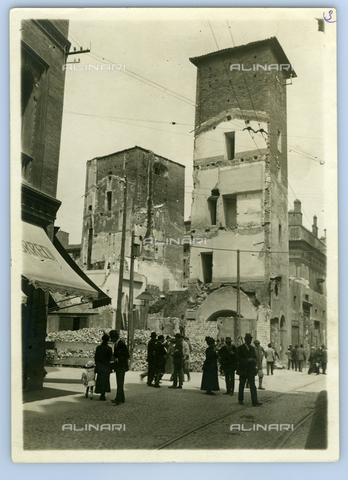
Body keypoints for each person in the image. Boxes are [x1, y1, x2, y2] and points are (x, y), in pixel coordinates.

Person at [237, 333, 262, 406]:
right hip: (243, 369)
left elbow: (254, 357)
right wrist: (247, 360)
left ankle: (255, 401)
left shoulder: (252, 348)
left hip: (250, 370)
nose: (249, 340)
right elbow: (238, 359)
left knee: (252, 385)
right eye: (248, 339)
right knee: (241, 384)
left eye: (250, 339)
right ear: (245, 340)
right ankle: (240, 399)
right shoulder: (240, 348)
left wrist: (254, 362)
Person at [109, 330, 130, 405]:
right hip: (118, 366)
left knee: (120, 383)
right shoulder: (116, 344)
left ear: (115, 337)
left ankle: (119, 398)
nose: (111, 340)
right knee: (119, 383)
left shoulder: (121, 344)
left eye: (112, 338)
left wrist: (117, 359)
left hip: (122, 366)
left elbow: (126, 355)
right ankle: (121, 398)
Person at [94, 334, 112, 401]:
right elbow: (110, 358)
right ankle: (103, 394)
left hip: (100, 366)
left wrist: (97, 364)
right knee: (106, 381)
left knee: (100, 380)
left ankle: (101, 393)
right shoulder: (109, 349)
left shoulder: (98, 348)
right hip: (106, 366)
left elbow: (96, 357)